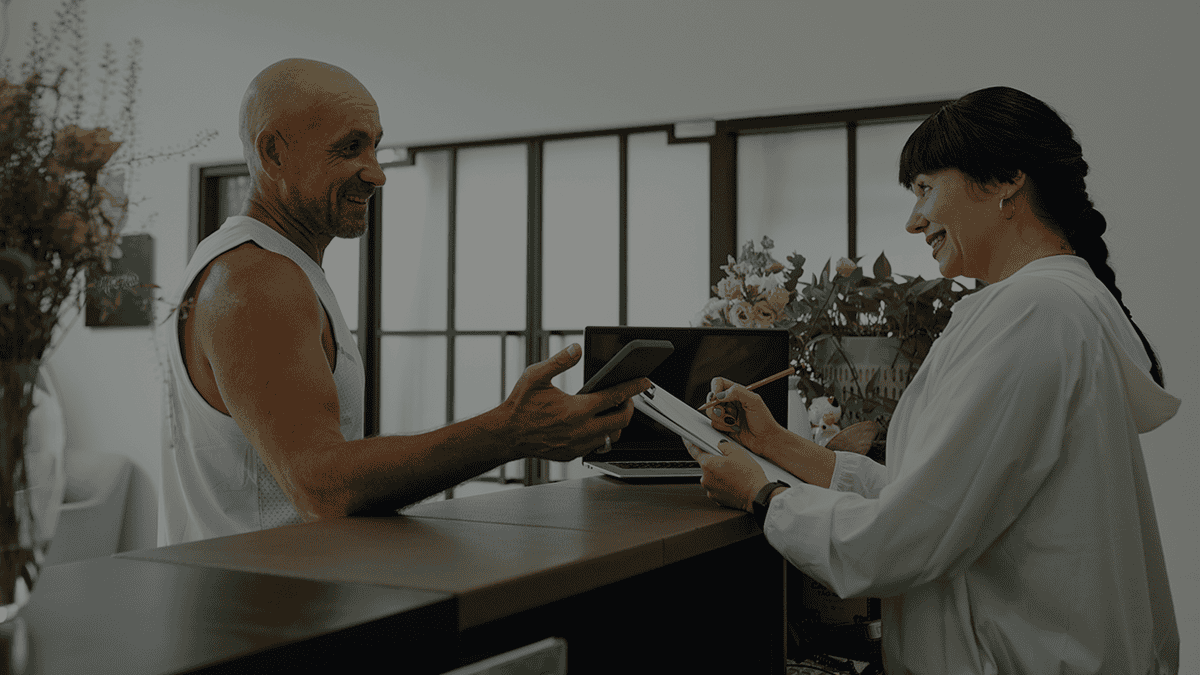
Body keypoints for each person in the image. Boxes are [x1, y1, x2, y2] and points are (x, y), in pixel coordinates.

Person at [684, 86, 1181, 673]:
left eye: (925, 188)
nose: (914, 221)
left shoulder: (1034, 312)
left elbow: (907, 537)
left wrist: (764, 496)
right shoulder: (1049, 306)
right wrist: (773, 444)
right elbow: (931, 495)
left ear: (1004, 182)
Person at [160, 58, 649, 544]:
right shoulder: (254, 278)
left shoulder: (267, 266)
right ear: (274, 153)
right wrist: (508, 432)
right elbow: (320, 487)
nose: (376, 173)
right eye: (350, 148)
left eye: (374, 146)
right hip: (258, 611)